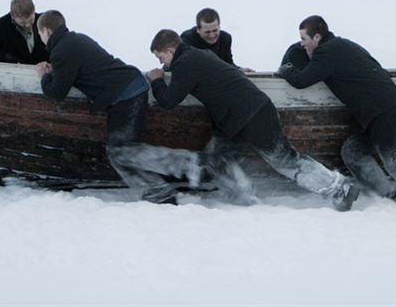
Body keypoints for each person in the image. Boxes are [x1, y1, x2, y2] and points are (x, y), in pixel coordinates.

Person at [147, 29, 360, 211]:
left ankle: (340, 188)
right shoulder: (194, 56)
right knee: (216, 157)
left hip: (253, 114)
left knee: (284, 160)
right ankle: (244, 199)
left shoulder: (187, 63)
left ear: (171, 51)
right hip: (235, 119)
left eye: (161, 58)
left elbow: (168, 101)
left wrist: (156, 80)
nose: (161, 64)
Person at [277, 15, 396, 207]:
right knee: (352, 152)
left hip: (383, 109)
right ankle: (388, 196)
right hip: (374, 112)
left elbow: (301, 80)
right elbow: (302, 58)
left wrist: (285, 69)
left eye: (304, 39)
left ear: (316, 37)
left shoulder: (327, 52)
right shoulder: (337, 46)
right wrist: (295, 55)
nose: (302, 44)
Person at [35, 10, 201, 205]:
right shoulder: (75, 40)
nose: (41, 38)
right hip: (129, 89)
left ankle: (183, 166)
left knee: (121, 152)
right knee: (121, 152)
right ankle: (159, 187)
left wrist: (44, 75)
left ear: (46, 30)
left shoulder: (62, 50)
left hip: (127, 94)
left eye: (40, 34)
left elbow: (57, 93)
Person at [0, 0, 50, 64]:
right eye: (22, 23)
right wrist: (10, 59)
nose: (27, 25)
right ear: (12, 16)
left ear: (34, 10)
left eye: (31, 20)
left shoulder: (46, 22)